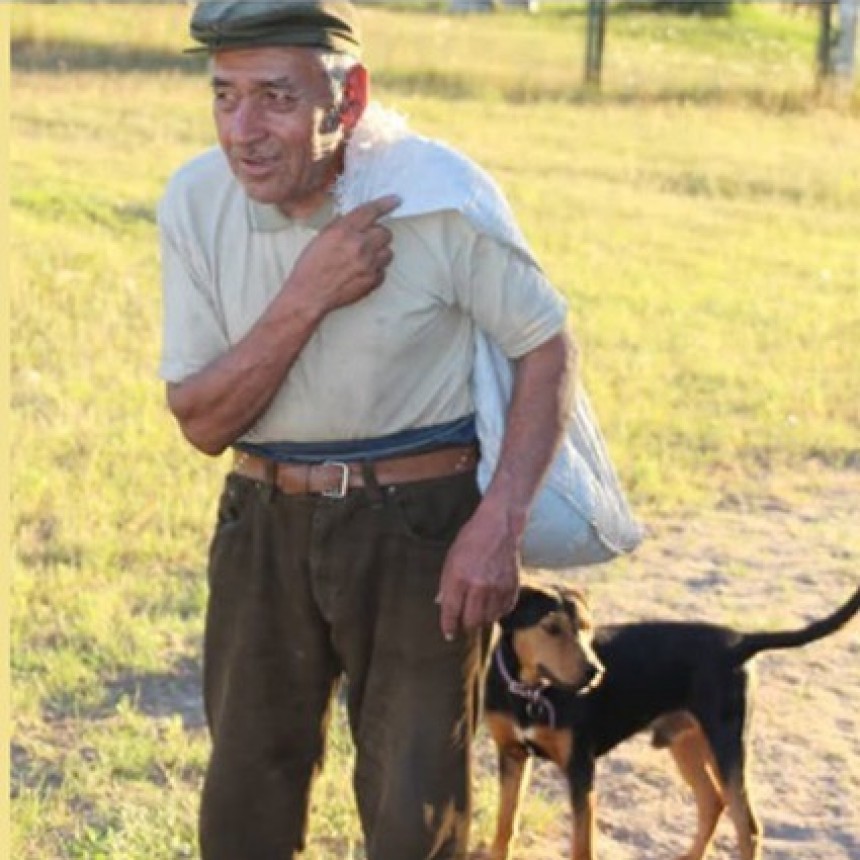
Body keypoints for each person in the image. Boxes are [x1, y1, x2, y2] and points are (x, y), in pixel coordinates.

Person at [158, 2, 574, 858]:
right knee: (245, 796)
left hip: (422, 529)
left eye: (275, 96)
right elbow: (201, 420)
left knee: (415, 805)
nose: (244, 129)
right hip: (262, 521)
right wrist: (310, 292)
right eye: (224, 96)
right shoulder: (195, 200)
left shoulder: (436, 196)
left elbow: (546, 346)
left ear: (347, 101)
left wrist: (498, 523)